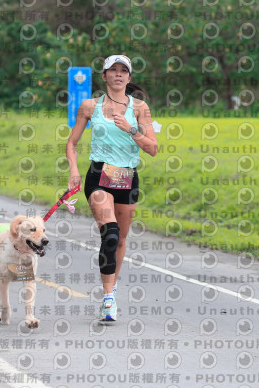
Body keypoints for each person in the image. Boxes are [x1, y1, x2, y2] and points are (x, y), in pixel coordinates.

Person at [66, 54, 158, 321]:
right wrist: (74, 171)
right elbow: (71, 143)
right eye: (112, 70)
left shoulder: (140, 108)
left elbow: (152, 148)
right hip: (99, 174)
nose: (118, 74)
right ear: (104, 76)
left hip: (127, 177)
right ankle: (108, 299)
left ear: (129, 78)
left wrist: (131, 129)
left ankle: (112, 290)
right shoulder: (89, 106)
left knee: (121, 240)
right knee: (111, 234)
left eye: (123, 71)